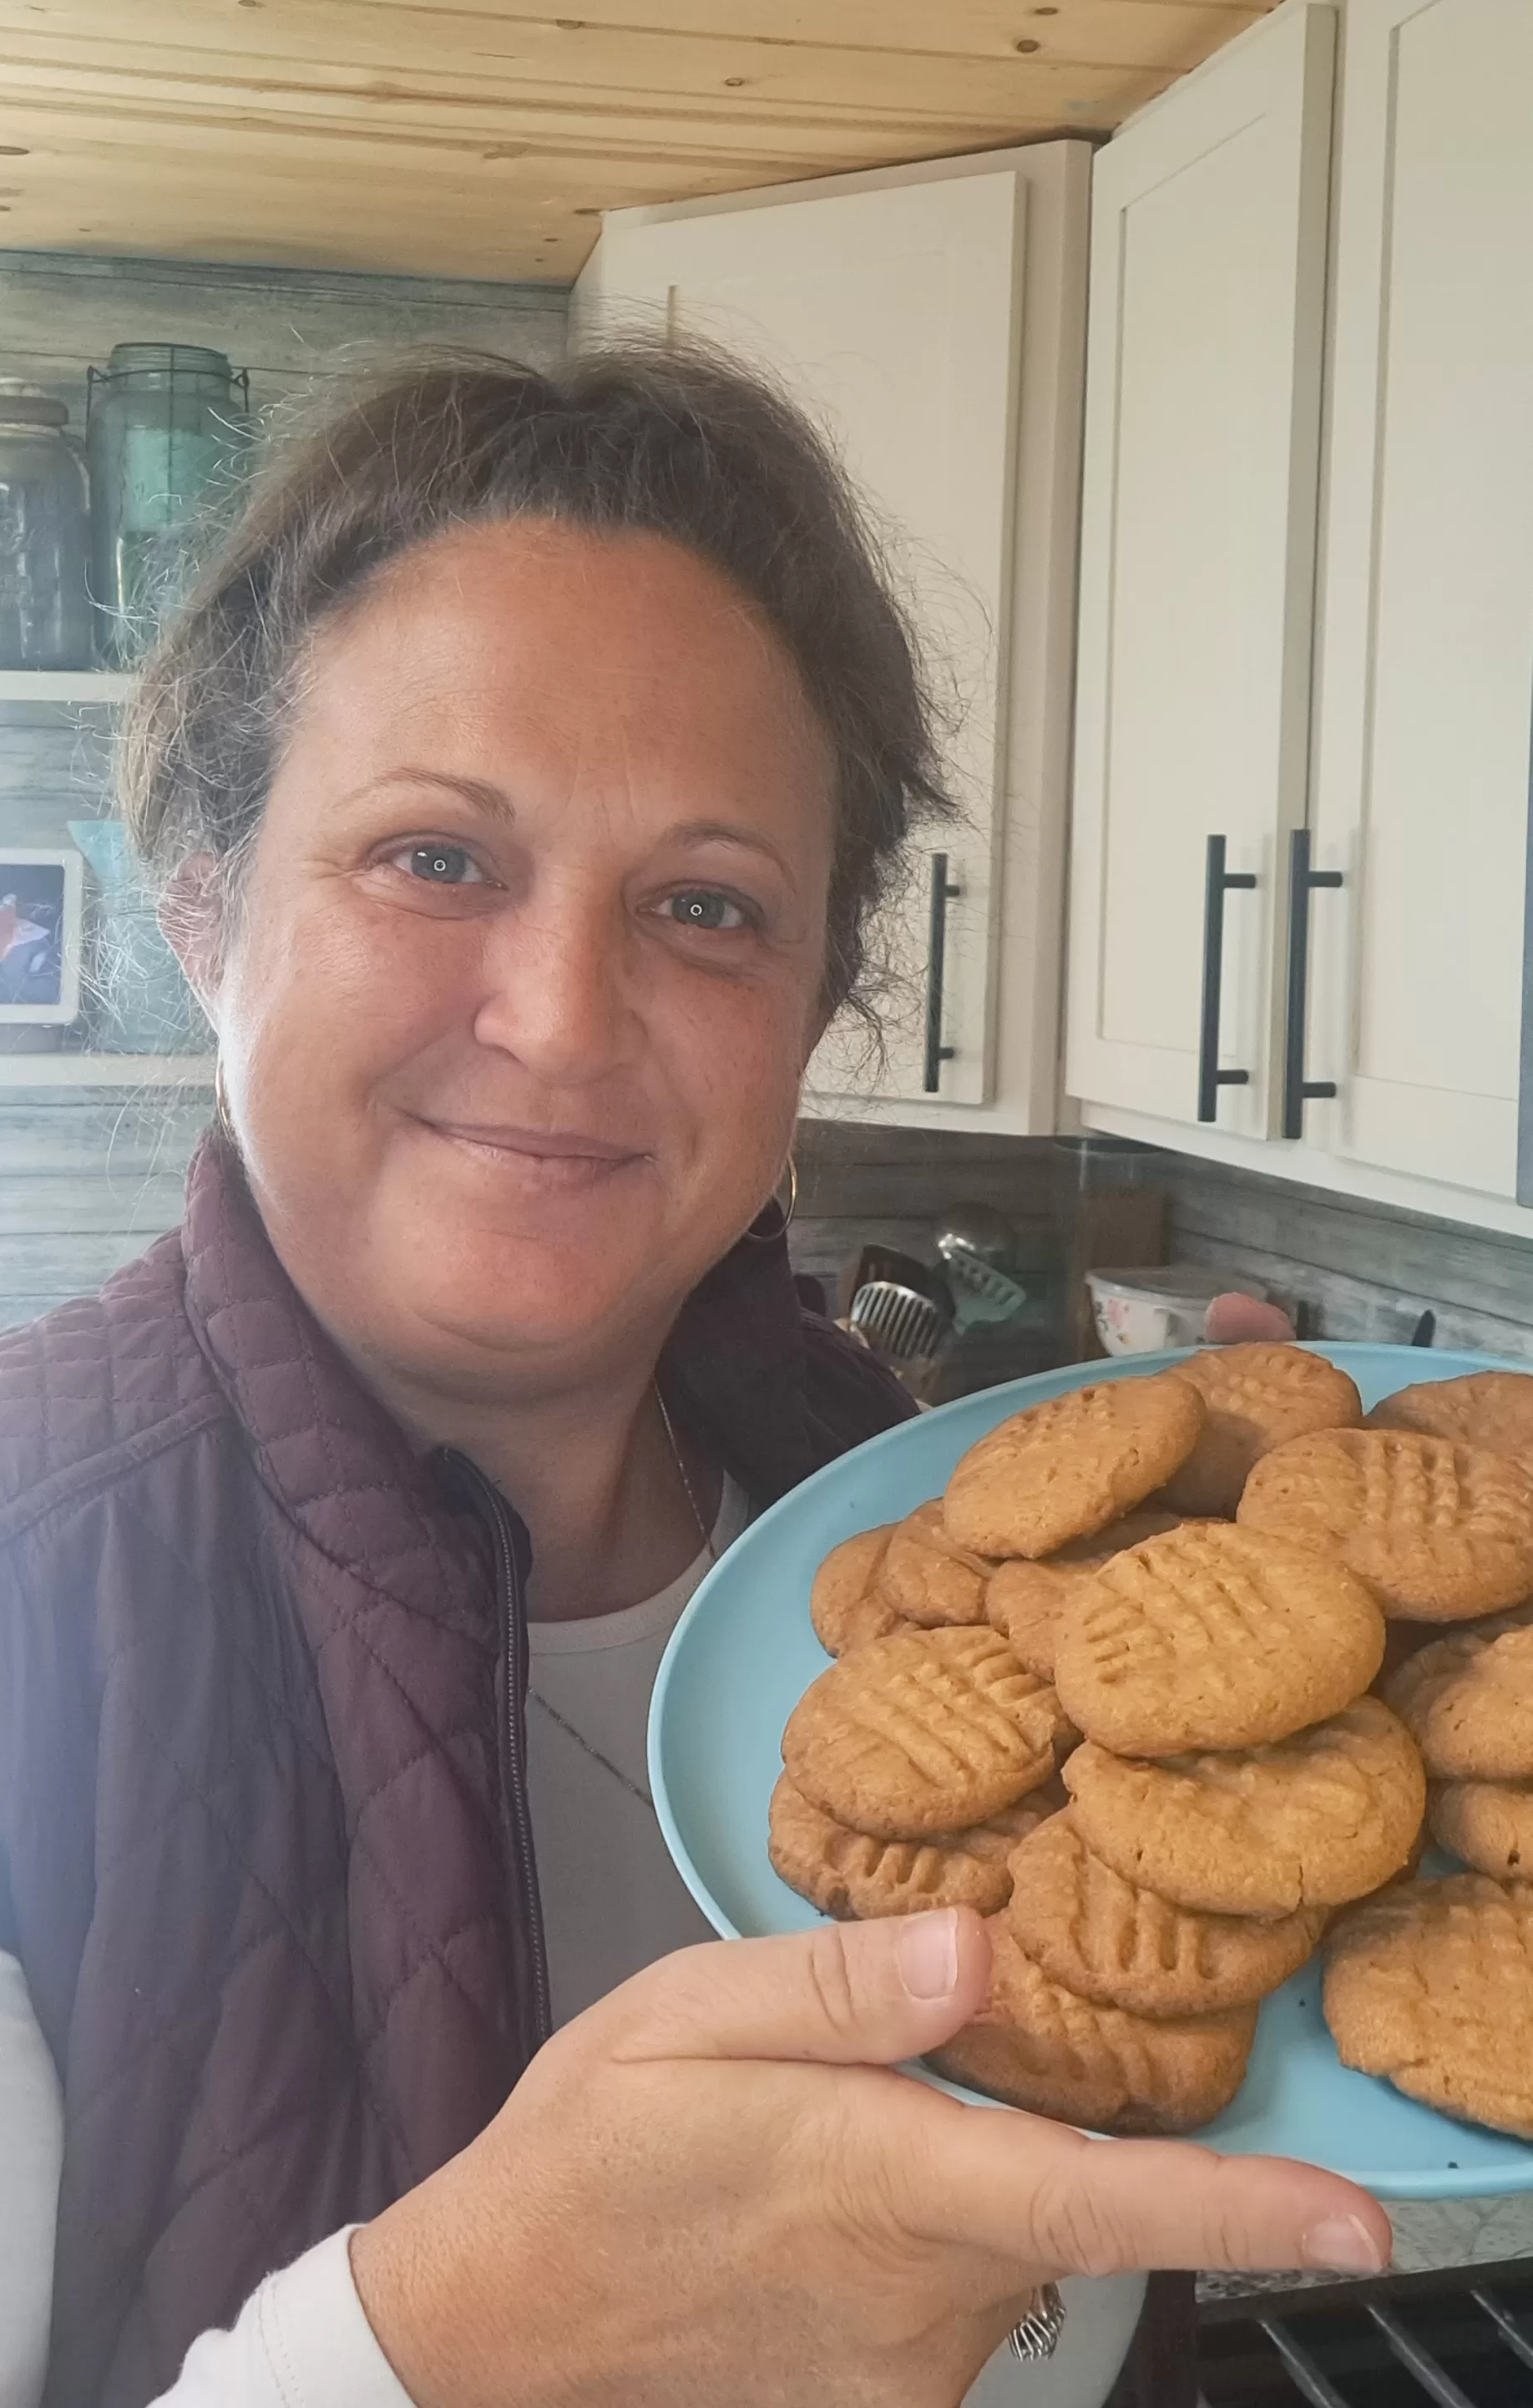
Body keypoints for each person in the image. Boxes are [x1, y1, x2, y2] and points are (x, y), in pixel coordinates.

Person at [0, 351, 1388, 2408]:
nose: (563, 1020)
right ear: (206, 914)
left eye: (707, 906)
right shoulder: (38, 1591)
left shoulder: (929, 1525)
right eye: (435, 859)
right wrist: (443, 2342)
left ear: (818, 1002)